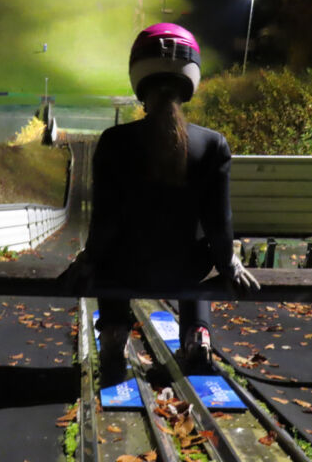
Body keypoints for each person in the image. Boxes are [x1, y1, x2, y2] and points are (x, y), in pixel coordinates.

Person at [78, 23, 260, 386]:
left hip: (126, 270)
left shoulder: (114, 141)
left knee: (108, 253)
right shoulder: (212, 144)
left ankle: (114, 331)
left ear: (138, 76)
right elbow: (218, 221)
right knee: (203, 250)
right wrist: (228, 262)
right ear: (189, 79)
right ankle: (197, 334)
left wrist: (88, 259)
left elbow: (105, 220)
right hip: (186, 270)